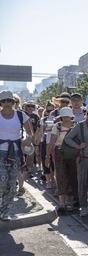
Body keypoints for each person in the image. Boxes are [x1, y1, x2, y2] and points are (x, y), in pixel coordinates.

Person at [0, 91, 33, 221]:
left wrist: (28, 138)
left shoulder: (21, 115)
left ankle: (4, 211)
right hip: (0, 151)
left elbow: (29, 131)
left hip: (15, 152)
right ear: (1, 103)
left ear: (13, 102)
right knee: (2, 180)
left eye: (9, 100)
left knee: (12, 182)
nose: (7, 103)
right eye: (4, 101)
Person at [46, 107, 78, 213]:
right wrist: (47, 157)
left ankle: (69, 201)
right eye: (63, 117)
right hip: (60, 153)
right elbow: (51, 142)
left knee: (71, 176)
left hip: (73, 154)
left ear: (71, 117)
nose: (66, 119)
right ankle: (62, 203)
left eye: (67, 116)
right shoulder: (57, 126)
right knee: (60, 176)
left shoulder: (76, 126)